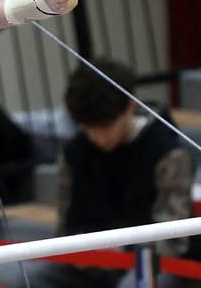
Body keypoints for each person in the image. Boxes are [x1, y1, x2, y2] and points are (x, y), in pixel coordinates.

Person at [28, 59, 195, 288]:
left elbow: (173, 239)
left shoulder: (166, 152)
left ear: (130, 107)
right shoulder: (75, 153)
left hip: (149, 261)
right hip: (89, 261)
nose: (99, 138)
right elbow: (65, 225)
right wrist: (80, 247)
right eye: (89, 128)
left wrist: (121, 249)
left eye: (106, 127)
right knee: (32, 279)